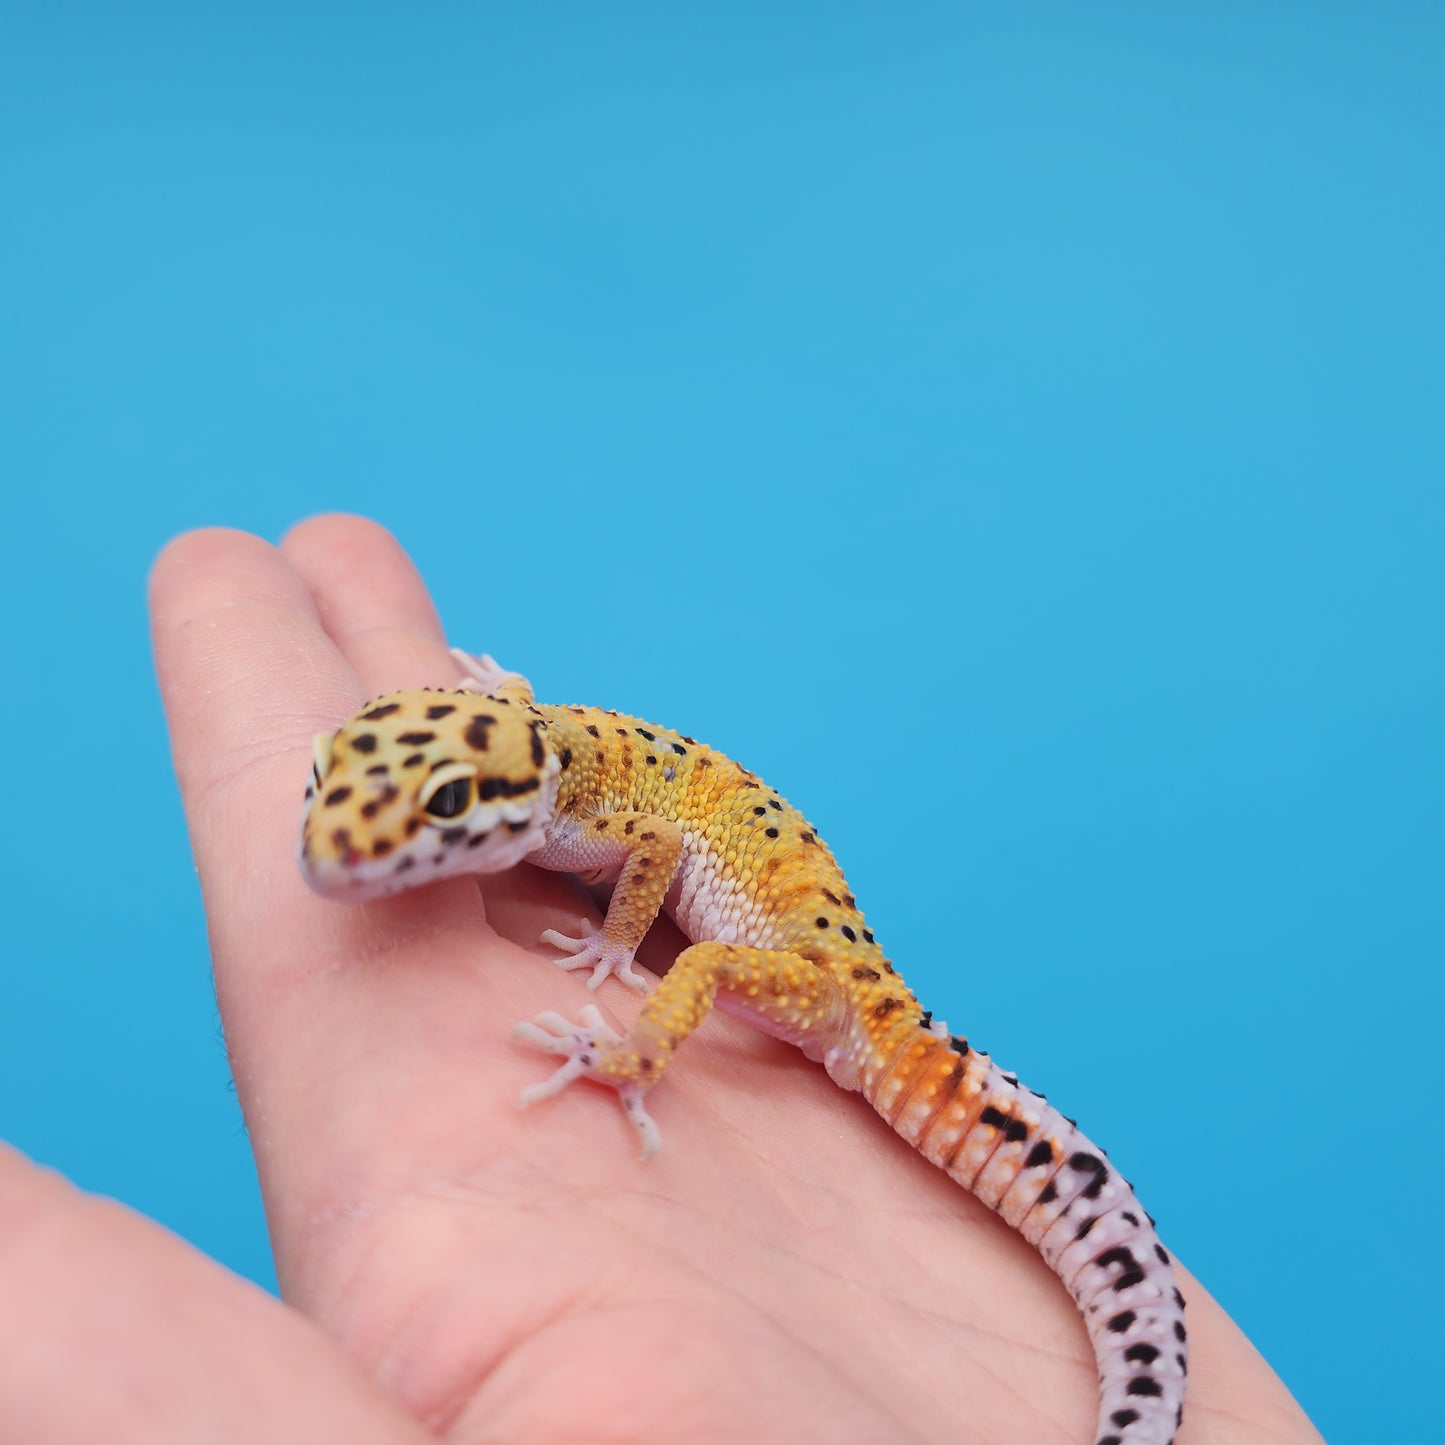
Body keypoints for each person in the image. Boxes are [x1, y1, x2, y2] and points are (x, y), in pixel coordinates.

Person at [0, 515, 1322, 1442]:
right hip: (799, 945)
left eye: (440, 806)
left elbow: (644, 847)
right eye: (352, 797)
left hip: (830, 997)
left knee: (700, 984)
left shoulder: (589, 804)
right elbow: (568, 781)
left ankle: (642, 1055)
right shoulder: (546, 751)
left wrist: (629, 994)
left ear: (518, 791)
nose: (363, 849)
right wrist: (503, 718)